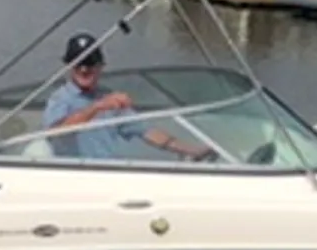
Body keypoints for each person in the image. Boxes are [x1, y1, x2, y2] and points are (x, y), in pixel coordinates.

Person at [41, 33, 214, 162]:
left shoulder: (108, 98)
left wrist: (192, 150)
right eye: (78, 64)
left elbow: (146, 131)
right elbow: (57, 132)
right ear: (69, 67)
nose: (84, 70)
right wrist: (97, 107)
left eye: (90, 63)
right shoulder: (60, 99)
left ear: (100, 66)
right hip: (73, 175)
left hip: (108, 173)